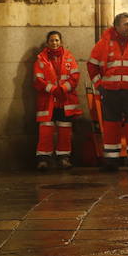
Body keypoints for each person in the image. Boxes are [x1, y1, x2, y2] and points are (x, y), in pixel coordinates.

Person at [87, 12, 128, 171]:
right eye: (125, 24)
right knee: (110, 125)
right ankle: (111, 161)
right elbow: (92, 65)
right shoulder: (103, 44)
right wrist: (99, 84)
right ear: (116, 27)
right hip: (110, 91)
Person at [33, 30, 81, 171]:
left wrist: (63, 89)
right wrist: (53, 89)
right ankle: (43, 159)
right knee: (45, 130)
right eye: (52, 40)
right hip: (47, 101)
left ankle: (64, 158)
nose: (54, 43)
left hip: (65, 100)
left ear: (61, 42)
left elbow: (75, 76)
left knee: (65, 130)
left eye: (57, 40)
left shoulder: (69, 58)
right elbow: (38, 80)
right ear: (47, 43)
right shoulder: (41, 59)